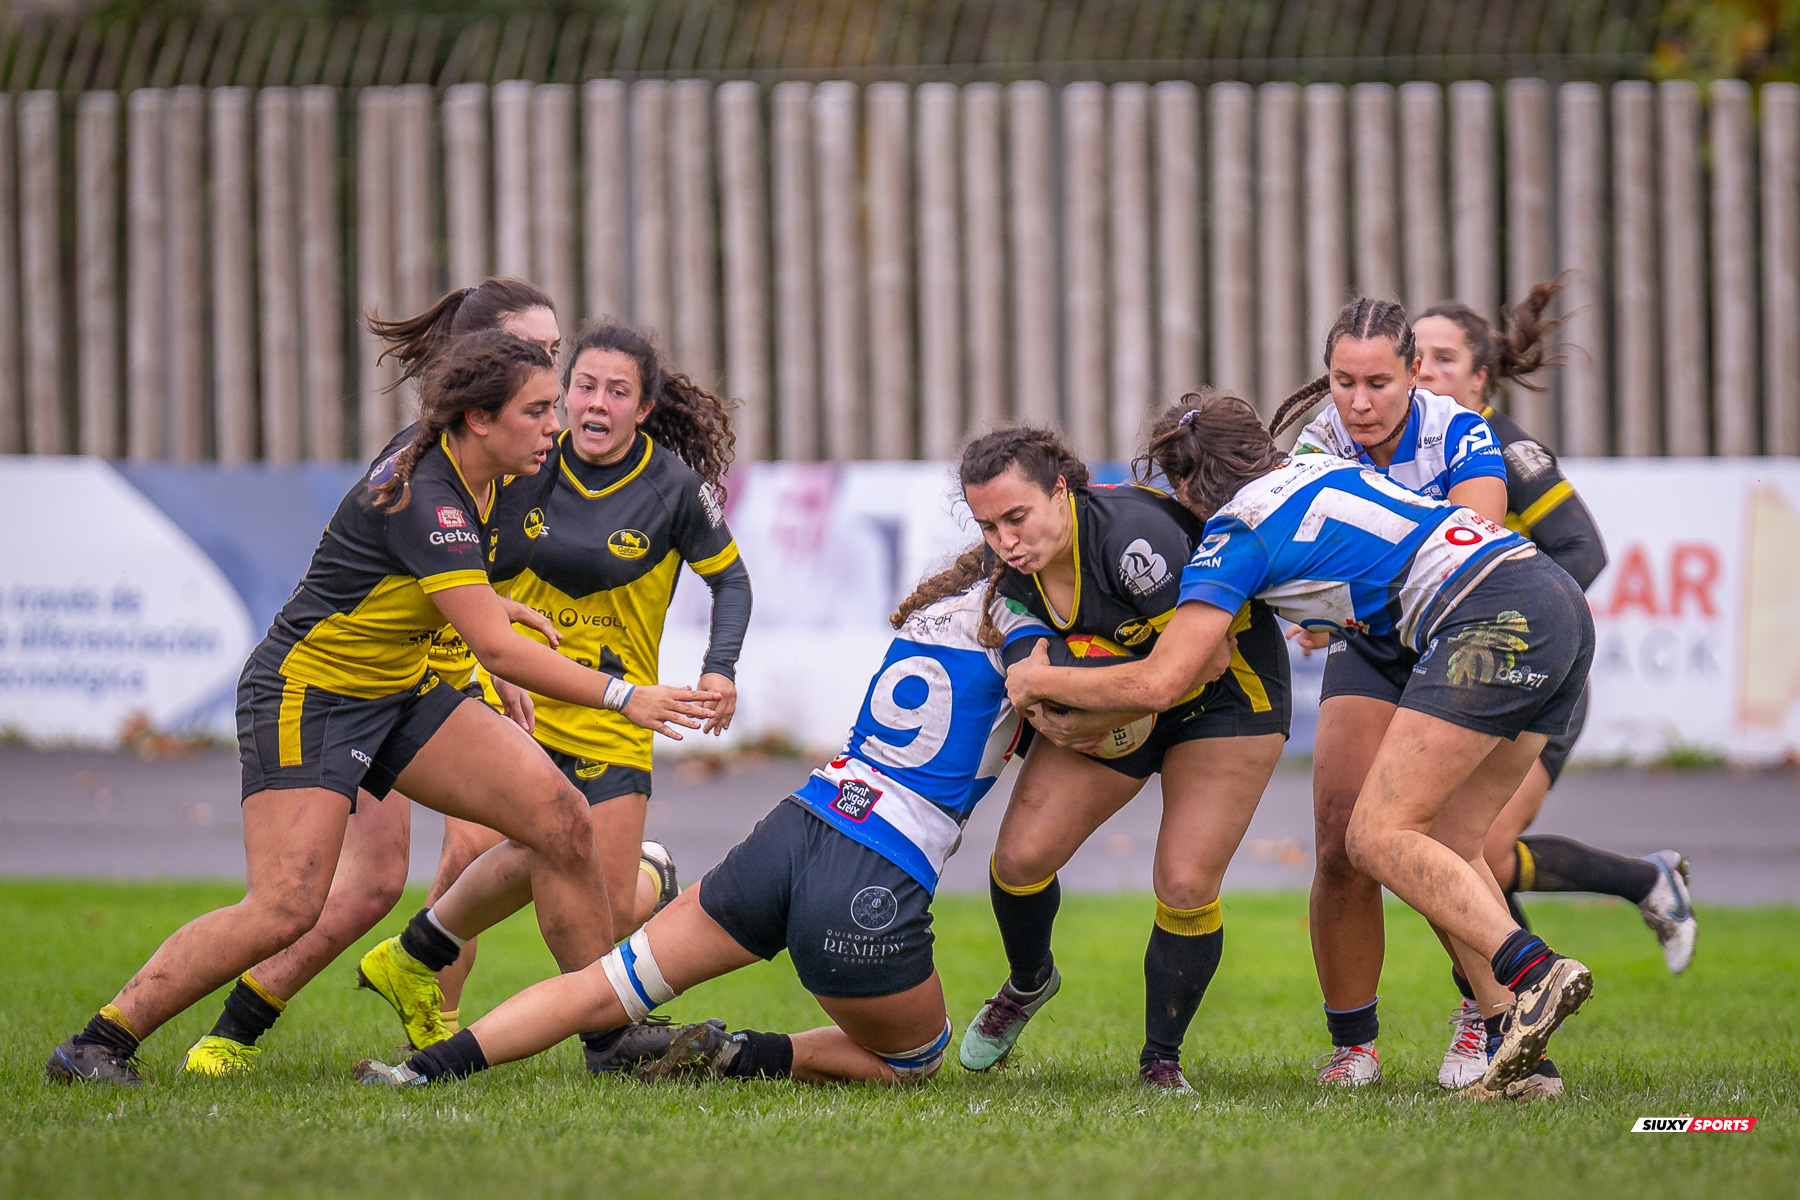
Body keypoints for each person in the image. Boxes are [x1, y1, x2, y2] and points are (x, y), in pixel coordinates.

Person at [46, 332, 719, 1086]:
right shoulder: (424, 493)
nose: (556, 426)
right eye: (537, 411)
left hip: (396, 688)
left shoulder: (494, 468)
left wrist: (488, 602)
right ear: (478, 419)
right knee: (285, 906)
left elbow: (428, 584)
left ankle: (609, 1036)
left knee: (560, 817)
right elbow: (494, 651)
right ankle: (95, 1044)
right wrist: (629, 695)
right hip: (310, 696)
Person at [1005, 390, 1597, 1100]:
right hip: (1554, 599)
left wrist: (1040, 678)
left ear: (1190, 485)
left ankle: (1534, 971)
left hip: (1486, 616)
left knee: (1374, 836)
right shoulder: (1324, 468)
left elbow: (1166, 680)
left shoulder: (1236, 530)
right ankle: (1514, 1044)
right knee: (1453, 839)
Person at [351, 551, 1106, 1090]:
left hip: (795, 828)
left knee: (602, 987)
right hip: (872, 869)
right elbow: (1084, 720)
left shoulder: (940, 610)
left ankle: (416, 1073)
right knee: (917, 1059)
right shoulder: (1029, 634)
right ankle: (740, 1055)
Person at [177, 279, 614, 1075]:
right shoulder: (429, 467)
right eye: (540, 352)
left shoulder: (522, 447)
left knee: (523, 828)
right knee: (362, 885)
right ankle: (248, 1026)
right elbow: (430, 571)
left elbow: (468, 581)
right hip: (377, 677)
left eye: (558, 350)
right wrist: (509, 651)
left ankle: (446, 1007)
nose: (558, 369)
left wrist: (497, 621)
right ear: (484, 371)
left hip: (431, 666)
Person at [353, 321, 751, 1074]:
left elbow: (731, 580)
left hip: (617, 720)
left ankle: (636, 897)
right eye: (585, 387)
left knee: (594, 910)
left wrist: (720, 667)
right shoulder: (522, 463)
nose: (595, 404)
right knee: (496, 850)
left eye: (617, 391)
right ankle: (439, 1016)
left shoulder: (674, 489)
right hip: (517, 705)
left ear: (646, 405)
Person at [1412, 282, 1696, 1089]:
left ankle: (1511, 1021)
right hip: (1467, 678)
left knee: (1469, 852)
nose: (1425, 372)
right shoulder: (1413, 455)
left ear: (1480, 380)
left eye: (1443, 359)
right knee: (1465, 852)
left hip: (1534, 678)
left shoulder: (1508, 449)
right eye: (1416, 358)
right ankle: (1632, 895)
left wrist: (1505, 611)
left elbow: (1582, 549)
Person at [951, 427, 1289, 1090]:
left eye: (1016, 517)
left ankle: (1161, 1062)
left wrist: (1064, 697)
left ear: (1060, 490)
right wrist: (1041, 693)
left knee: (1187, 883)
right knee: (1019, 859)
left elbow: (1202, 663)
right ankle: (1028, 982)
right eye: (987, 526)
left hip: (1225, 695)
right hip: (1126, 699)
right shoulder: (1012, 569)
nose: (1005, 541)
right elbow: (1026, 658)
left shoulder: (1133, 540)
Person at [1266, 295, 1512, 1087]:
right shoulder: (1317, 441)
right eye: (1343, 382)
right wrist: (1318, 602)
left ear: (1414, 372)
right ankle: (1354, 1046)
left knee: (1433, 839)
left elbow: (1470, 545)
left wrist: (1335, 591)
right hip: (1372, 646)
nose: (1360, 402)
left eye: (1378, 381)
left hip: (1454, 642)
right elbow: (1296, 570)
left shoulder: (1459, 431)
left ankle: (1488, 1017)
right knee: (1340, 840)